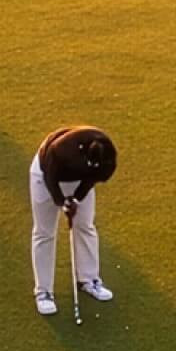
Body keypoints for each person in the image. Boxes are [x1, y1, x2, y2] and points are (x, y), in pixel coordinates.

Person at [29, 124, 118, 317]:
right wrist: (62, 203)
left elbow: (91, 179)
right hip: (45, 174)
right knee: (44, 232)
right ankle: (43, 292)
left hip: (76, 179)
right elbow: (50, 178)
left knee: (85, 225)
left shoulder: (108, 155)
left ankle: (89, 279)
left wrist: (76, 199)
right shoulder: (61, 150)